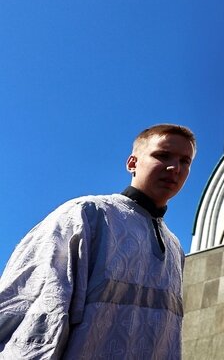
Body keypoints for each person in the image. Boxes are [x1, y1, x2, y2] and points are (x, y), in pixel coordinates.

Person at [0, 124, 196, 359]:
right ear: (132, 163)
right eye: (162, 155)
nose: (174, 168)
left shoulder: (175, 247)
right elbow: (34, 305)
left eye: (185, 161)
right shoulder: (87, 214)